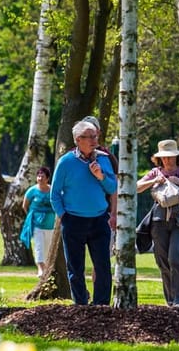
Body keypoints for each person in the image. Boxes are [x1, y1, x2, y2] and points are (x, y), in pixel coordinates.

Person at [50, 119, 118, 305]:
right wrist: (65, 217)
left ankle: (101, 306)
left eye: (95, 136)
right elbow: (54, 194)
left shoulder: (103, 159)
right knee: (75, 268)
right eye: (89, 137)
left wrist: (100, 176)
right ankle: (80, 306)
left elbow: (113, 188)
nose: (94, 140)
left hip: (99, 221)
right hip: (73, 221)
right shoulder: (66, 162)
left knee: (103, 266)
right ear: (78, 139)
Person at [136, 140, 179, 306]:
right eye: (164, 157)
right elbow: (136, 187)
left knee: (175, 259)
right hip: (159, 221)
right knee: (163, 261)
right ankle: (171, 301)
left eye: (170, 157)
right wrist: (153, 181)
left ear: (177, 156)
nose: (167, 160)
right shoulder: (155, 172)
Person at [21, 166, 57, 275]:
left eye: (42, 176)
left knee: (47, 248)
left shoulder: (52, 190)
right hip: (37, 225)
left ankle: (47, 269)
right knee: (39, 246)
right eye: (38, 176)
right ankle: (41, 268)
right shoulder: (32, 190)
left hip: (51, 225)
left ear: (47, 178)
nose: (40, 178)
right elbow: (25, 205)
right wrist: (31, 217)